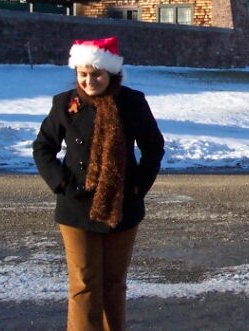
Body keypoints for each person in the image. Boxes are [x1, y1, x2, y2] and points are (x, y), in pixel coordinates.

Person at [34, 37, 165, 331]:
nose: (89, 81)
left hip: (123, 205)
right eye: (83, 74)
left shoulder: (132, 103)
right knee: (84, 284)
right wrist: (60, 183)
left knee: (114, 283)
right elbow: (43, 147)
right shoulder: (65, 103)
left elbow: (153, 147)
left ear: (111, 74)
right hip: (76, 207)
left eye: (96, 74)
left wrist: (137, 187)